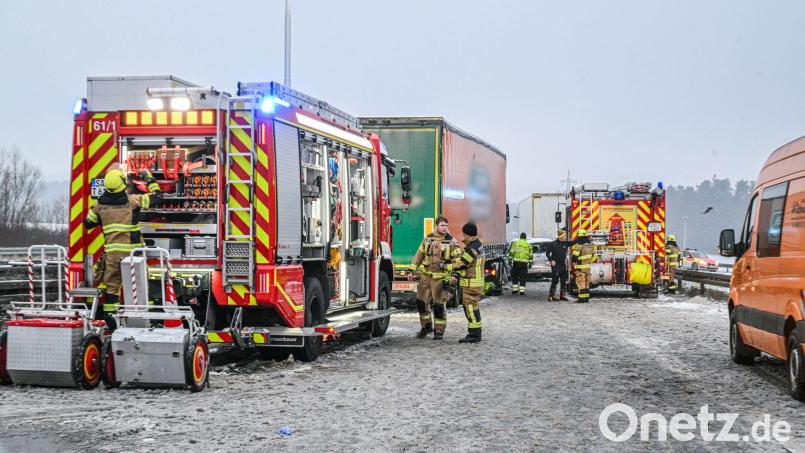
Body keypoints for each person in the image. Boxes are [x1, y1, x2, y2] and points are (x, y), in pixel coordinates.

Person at [84, 164, 162, 329]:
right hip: (133, 255)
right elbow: (157, 197)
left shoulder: (98, 206)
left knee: (112, 289)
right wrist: (149, 177)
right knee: (141, 286)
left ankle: (111, 324)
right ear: (122, 183)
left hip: (112, 256)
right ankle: (147, 321)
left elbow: (88, 224)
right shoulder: (133, 201)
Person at [407, 216, 460, 340]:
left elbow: (458, 261)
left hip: (441, 279)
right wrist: (411, 270)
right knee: (420, 302)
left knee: (439, 306)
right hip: (425, 277)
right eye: (442, 225)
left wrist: (455, 275)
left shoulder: (451, 241)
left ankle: (439, 331)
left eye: (446, 226)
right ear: (436, 226)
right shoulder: (428, 239)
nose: (445, 228)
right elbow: (419, 255)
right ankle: (426, 327)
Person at [450, 222, 485, 343]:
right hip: (474, 284)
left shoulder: (472, 248)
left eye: (464, 235)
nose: (463, 237)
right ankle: (474, 333)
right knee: (472, 308)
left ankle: (474, 335)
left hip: (471, 284)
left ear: (468, 235)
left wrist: (447, 266)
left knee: (471, 309)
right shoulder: (478, 245)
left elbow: (462, 264)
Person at [570, 229, 596, 303]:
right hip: (588, 268)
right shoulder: (591, 245)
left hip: (580, 268)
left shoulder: (579, 246)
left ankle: (581, 299)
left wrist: (574, 262)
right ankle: (586, 298)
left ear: (579, 236)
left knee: (581, 283)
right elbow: (593, 254)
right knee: (587, 283)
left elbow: (574, 257)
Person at [545, 229, 572, 301]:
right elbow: (547, 253)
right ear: (561, 237)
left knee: (563, 281)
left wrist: (581, 238)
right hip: (556, 266)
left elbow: (573, 242)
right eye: (564, 236)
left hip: (563, 266)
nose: (566, 237)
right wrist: (551, 260)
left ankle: (562, 296)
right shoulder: (553, 244)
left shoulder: (565, 243)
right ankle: (551, 296)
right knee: (555, 281)